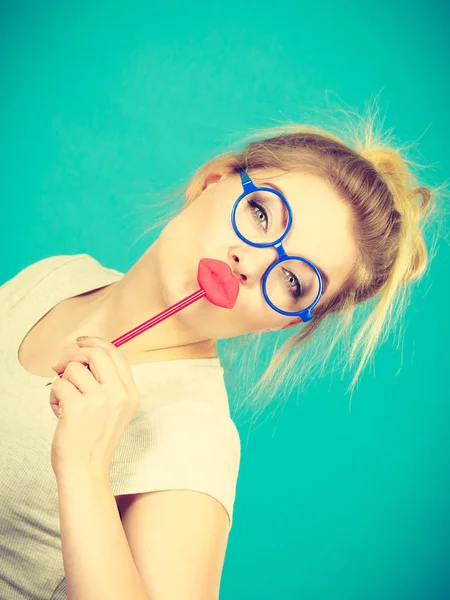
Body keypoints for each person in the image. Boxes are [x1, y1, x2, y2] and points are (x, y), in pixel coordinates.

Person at [0, 113, 442, 599]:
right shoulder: (62, 274)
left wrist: (84, 473)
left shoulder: (191, 435)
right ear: (211, 181)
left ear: (288, 319)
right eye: (260, 212)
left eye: (293, 280)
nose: (251, 262)